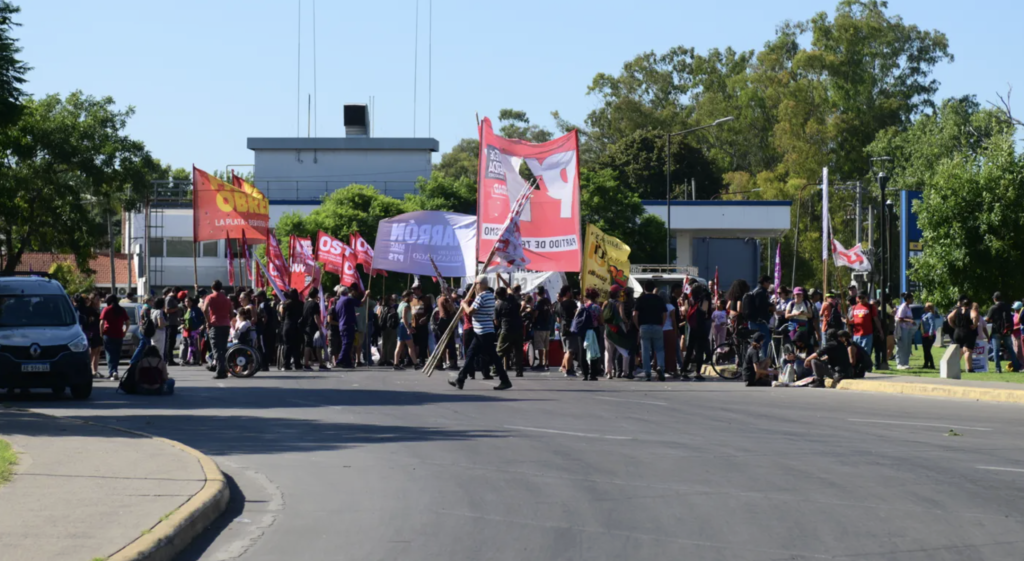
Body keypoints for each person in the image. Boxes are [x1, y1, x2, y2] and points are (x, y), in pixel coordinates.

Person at [449, 276, 512, 390]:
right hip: (484, 330)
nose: (475, 286)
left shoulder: (481, 296)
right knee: (472, 354)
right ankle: (460, 379)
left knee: (491, 356)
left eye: (476, 284)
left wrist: (464, 304)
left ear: (482, 284)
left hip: (483, 331)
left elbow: (470, 312)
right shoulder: (490, 295)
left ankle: (505, 380)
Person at [633, 280, 666, 381]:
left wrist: (638, 326)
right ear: (654, 288)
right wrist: (662, 324)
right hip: (657, 326)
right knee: (659, 349)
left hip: (644, 326)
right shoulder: (659, 299)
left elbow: (635, 314)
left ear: (644, 288)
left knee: (645, 350)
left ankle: (647, 372)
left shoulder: (640, 299)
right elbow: (665, 314)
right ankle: (660, 367)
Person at [681, 280, 710, 381]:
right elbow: (705, 313)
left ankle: (683, 372)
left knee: (689, 350)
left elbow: (685, 313)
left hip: (691, 328)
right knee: (699, 351)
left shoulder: (688, 301)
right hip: (701, 328)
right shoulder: (704, 301)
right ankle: (697, 373)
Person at [204, 280, 234, 379]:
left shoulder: (210, 297)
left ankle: (220, 371)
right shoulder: (227, 299)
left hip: (215, 324)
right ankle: (223, 369)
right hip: (225, 324)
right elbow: (231, 313)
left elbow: (205, 309)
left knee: (216, 349)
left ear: (212, 288)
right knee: (222, 348)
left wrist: (208, 321)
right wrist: (227, 320)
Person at [985, 292, 1021, 373]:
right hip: (1006, 331)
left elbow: (987, 319)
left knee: (996, 350)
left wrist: (992, 320)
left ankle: (998, 368)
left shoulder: (993, 308)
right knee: (1010, 349)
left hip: (996, 331)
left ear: (995, 299)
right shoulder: (1007, 306)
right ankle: (1016, 366)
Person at [495, 286, 525, 378]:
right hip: (518, 328)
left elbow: (496, 321)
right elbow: (523, 303)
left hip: (506, 329)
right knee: (518, 351)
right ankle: (519, 371)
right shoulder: (513, 299)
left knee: (500, 350)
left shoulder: (498, 305)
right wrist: (520, 312)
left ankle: (495, 369)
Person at [603, 285, 631, 379]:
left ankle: (609, 372)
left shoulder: (606, 302)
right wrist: (627, 322)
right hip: (617, 329)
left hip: (607, 329)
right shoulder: (619, 304)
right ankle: (625, 371)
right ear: (617, 293)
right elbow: (622, 316)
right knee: (625, 351)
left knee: (608, 352)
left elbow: (602, 315)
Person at [99, 294, 129, 381]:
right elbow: (128, 322)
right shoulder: (122, 310)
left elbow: (101, 323)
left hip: (108, 334)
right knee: (117, 354)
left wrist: (101, 333)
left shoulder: (107, 309)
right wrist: (125, 331)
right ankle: (115, 370)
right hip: (119, 334)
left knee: (109, 354)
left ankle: (112, 372)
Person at [744, 275, 773, 359]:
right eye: (768, 282)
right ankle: (762, 360)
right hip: (760, 321)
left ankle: (753, 360)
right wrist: (771, 306)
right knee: (765, 341)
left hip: (753, 320)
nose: (769, 284)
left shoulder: (756, 291)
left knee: (755, 342)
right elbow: (761, 306)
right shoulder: (761, 292)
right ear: (764, 282)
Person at [948, 295, 979, 373]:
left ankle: (954, 366)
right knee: (968, 350)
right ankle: (969, 368)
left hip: (957, 332)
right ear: (970, 304)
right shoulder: (971, 310)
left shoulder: (956, 310)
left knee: (959, 350)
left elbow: (949, 317)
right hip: (967, 332)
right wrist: (975, 325)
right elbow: (975, 316)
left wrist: (954, 326)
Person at [557, 285, 581, 377]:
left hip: (562, 328)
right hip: (570, 328)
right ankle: (568, 370)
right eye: (570, 292)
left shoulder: (559, 304)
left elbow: (558, 319)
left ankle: (567, 367)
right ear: (567, 293)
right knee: (570, 351)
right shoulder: (571, 302)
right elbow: (577, 313)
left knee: (567, 350)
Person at [302, 287, 328, 371]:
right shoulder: (315, 304)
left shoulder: (306, 303)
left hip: (306, 326)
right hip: (313, 327)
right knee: (317, 345)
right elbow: (316, 316)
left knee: (308, 344)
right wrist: (320, 327)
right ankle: (320, 364)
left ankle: (306, 363)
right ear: (316, 294)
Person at [77, 294, 103, 378]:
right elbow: (86, 322)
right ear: (92, 299)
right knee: (93, 351)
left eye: (99, 299)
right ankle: (89, 369)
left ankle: (95, 370)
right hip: (91, 332)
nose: (98, 301)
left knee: (98, 350)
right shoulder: (89, 309)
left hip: (98, 331)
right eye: (97, 299)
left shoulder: (98, 309)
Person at [334, 286, 361, 369]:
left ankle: (347, 362)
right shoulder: (348, 299)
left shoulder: (338, 302)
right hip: (348, 325)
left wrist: (352, 315)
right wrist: (366, 295)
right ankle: (340, 360)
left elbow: (341, 314)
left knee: (347, 344)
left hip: (342, 325)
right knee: (347, 343)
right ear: (347, 292)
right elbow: (360, 304)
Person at [394, 290, 419, 370]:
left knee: (399, 346)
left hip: (402, 326)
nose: (412, 298)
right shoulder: (406, 305)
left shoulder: (401, 304)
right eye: (411, 296)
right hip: (404, 326)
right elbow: (404, 317)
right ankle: (416, 364)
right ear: (407, 297)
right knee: (411, 346)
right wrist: (408, 328)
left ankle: (396, 364)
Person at [848, 292, 878, 358]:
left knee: (866, 353)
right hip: (856, 334)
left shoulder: (871, 307)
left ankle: (866, 364)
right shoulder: (854, 307)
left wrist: (880, 330)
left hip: (867, 334)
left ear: (866, 297)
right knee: (856, 353)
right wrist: (848, 321)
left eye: (863, 297)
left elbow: (876, 319)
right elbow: (853, 320)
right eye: (859, 298)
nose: (861, 299)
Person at [280, 288, 304, 371]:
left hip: (288, 325)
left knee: (287, 345)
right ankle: (297, 364)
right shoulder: (301, 303)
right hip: (297, 326)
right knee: (297, 346)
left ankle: (286, 364)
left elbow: (282, 315)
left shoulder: (286, 304)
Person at [434, 294, 459, 370]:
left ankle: (439, 363)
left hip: (442, 322)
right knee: (450, 345)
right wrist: (452, 305)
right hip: (446, 322)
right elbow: (451, 309)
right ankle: (452, 363)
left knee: (441, 344)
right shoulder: (445, 299)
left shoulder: (440, 299)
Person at [893, 292, 916, 369]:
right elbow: (900, 319)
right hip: (902, 329)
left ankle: (906, 363)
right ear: (908, 299)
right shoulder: (903, 307)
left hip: (908, 328)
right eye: (911, 298)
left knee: (907, 346)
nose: (913, 300)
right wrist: (910, 320)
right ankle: (900, 363)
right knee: (902, 346)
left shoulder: (908, 307)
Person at [532, 286, 552, 371]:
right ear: (544, 292)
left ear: (537, 293)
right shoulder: (547, 301)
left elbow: (536, 314)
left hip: (539, 326)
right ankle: (546, 363)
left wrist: (532, 317)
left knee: (540, 346)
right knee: (546, 346)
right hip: (547, 326)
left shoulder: (538, 302)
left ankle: (541, 363)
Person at [410, 283, 430, 367]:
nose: (413, 291)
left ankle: (422, 360)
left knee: (422, 343)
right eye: (412, 289)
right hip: (413, 325)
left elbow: (430, 311)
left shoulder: (426, 299)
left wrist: (426, 318)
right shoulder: (411, 299)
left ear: (419, 289)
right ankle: (411, 360)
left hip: (422, 325)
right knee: (412, 343)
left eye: (414, 289)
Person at [376, 295, 398, 367]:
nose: (392, 301)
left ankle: (383, 358)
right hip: (390, 327)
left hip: (382, 327)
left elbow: (378, 316)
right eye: (391, 300)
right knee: (390, 343)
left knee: (384, 343)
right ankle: (388, 359)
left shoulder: (380, 308)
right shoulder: (391, 308)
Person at [164, 287, 182, 366]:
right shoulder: (169, 299)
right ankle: (169, 359)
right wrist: (177, 308)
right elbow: (167, 310)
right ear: (174, 292)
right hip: (170, 323)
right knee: (170, 341)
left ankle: (170, 359)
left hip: (174, 322)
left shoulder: (173, 299)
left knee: (172, 341)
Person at [920, 302, 940, 369]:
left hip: (929, 335)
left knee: (927, 350)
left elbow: (932, 324)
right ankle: (926, 364)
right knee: (925, 350)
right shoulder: (923, 315)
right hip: (924, 334)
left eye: (925, 306)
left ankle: (932, 365)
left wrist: (931, 334)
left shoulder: (930, 315)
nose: (924, 307)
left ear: (929, 307)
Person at [149, 297, 168, 363]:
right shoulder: (159, 312)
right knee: (160, 351)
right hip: (160, 332)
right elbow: (160, 324)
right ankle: (160, 365)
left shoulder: (152, 311)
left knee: (154, 349)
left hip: (153, 332)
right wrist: (167, 323)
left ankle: (153, 364)